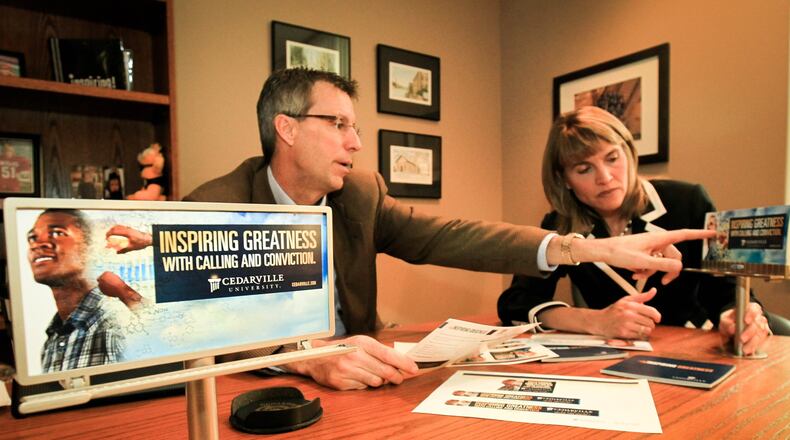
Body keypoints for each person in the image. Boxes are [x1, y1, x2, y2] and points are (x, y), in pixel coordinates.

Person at [184, 68, 713, 390]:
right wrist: (307, 360)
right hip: (260, 393)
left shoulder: (361, 194)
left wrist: (584, 248)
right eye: (338, 124)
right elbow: (196, 334)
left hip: (369, 384)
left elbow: (454, 236)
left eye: (355, 127)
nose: (356, 142)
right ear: (286, 127)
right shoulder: (213, 208)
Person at [497, 106, 783, 355]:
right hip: (613, 356)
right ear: (564, 180)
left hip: (696, 349)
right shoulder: (560, 225)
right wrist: (594, 320)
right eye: (584, 169)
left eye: (612, 158)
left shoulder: (689, 200)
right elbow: (515, 302)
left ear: (629, 153)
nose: (605, 178)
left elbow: (725, 289)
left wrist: (738, 315)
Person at [27, 209, 126, 372]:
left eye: (58, 233)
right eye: (32, 237)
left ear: (90, 248)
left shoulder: (116, 327)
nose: (38, 244)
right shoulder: (53, 339)